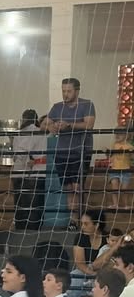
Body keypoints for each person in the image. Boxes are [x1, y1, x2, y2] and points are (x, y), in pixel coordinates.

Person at [41, 78, 95, 231]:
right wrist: (51, 126)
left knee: (78, 187)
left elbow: (89, 124)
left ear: (77, 91)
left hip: (80, 151)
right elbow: (43, 123)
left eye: (69, 91)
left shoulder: (87, 104)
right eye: (63, 91)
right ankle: (73, 220)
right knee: (68, 188)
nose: (65, 94)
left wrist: (69, 124)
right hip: (62, 152)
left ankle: (81, 219)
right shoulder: (57, 107)